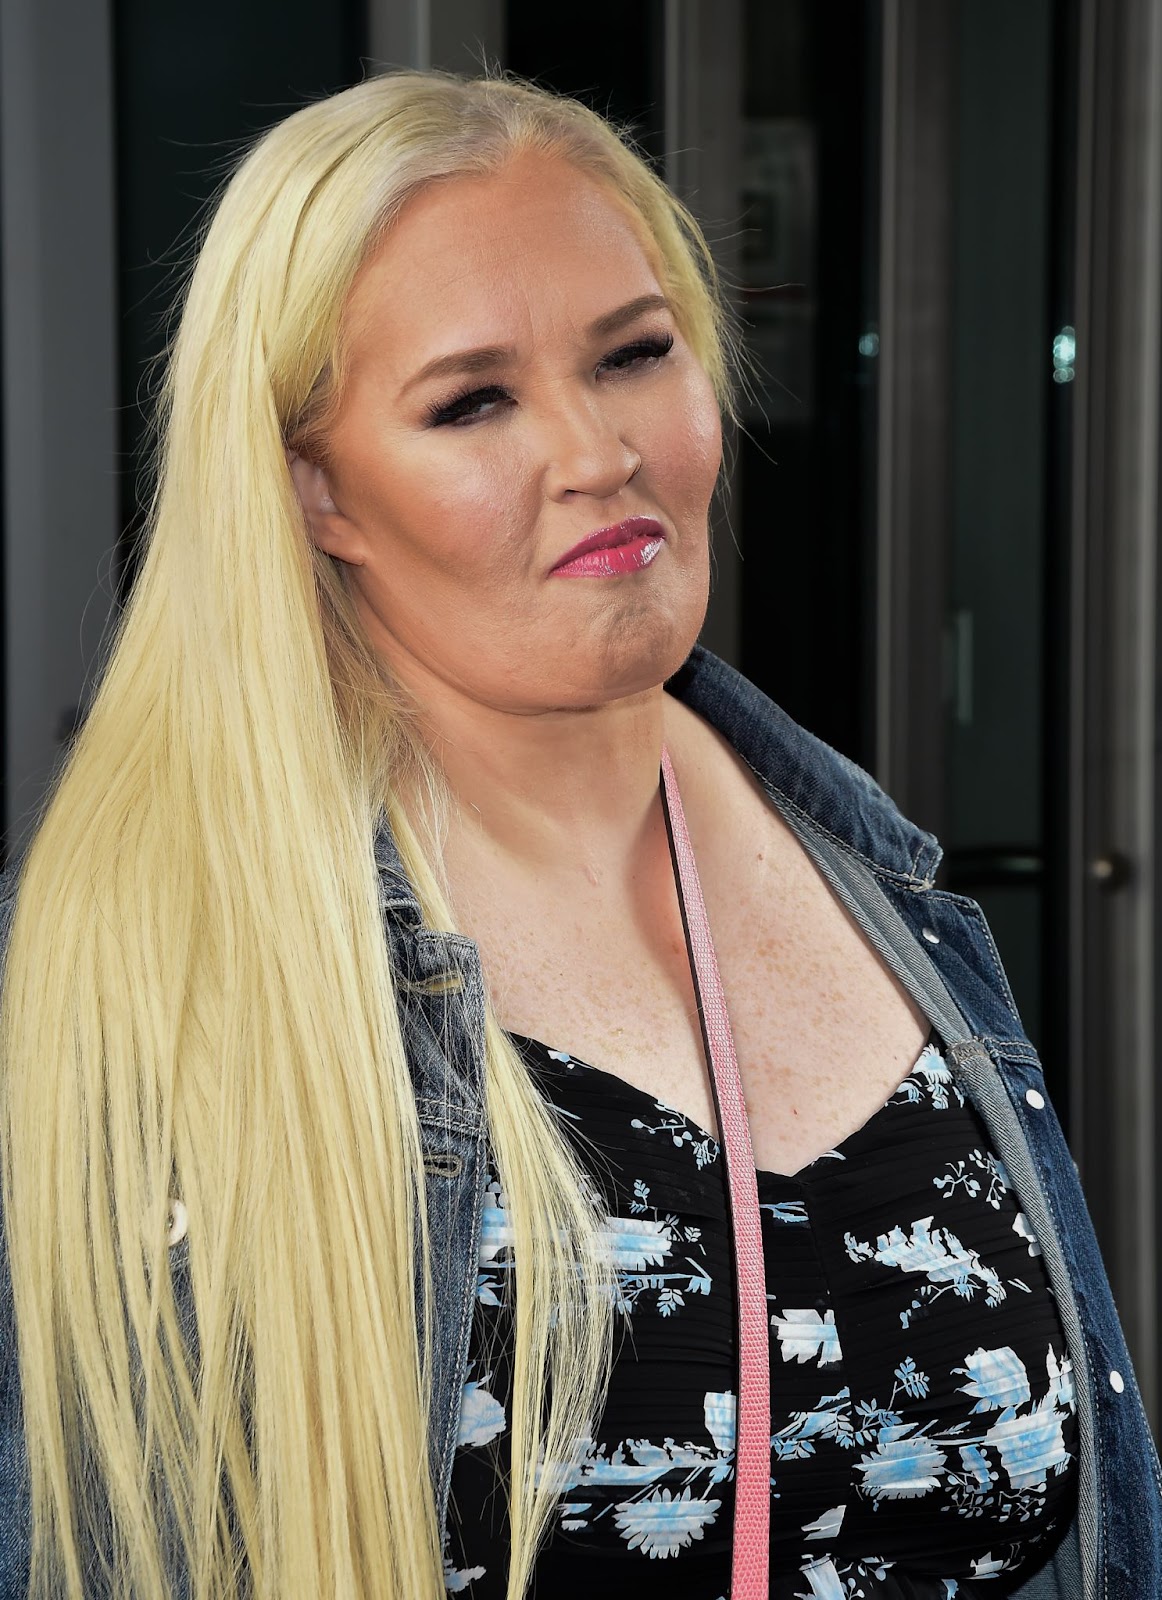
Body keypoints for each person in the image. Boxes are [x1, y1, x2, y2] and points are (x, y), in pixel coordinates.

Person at [0, 68, 1155, 1600]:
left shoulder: (885, 888)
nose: (596, 451)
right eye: (473, 400)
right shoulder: (164, 955)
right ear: (316, 491)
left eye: (633, 355)